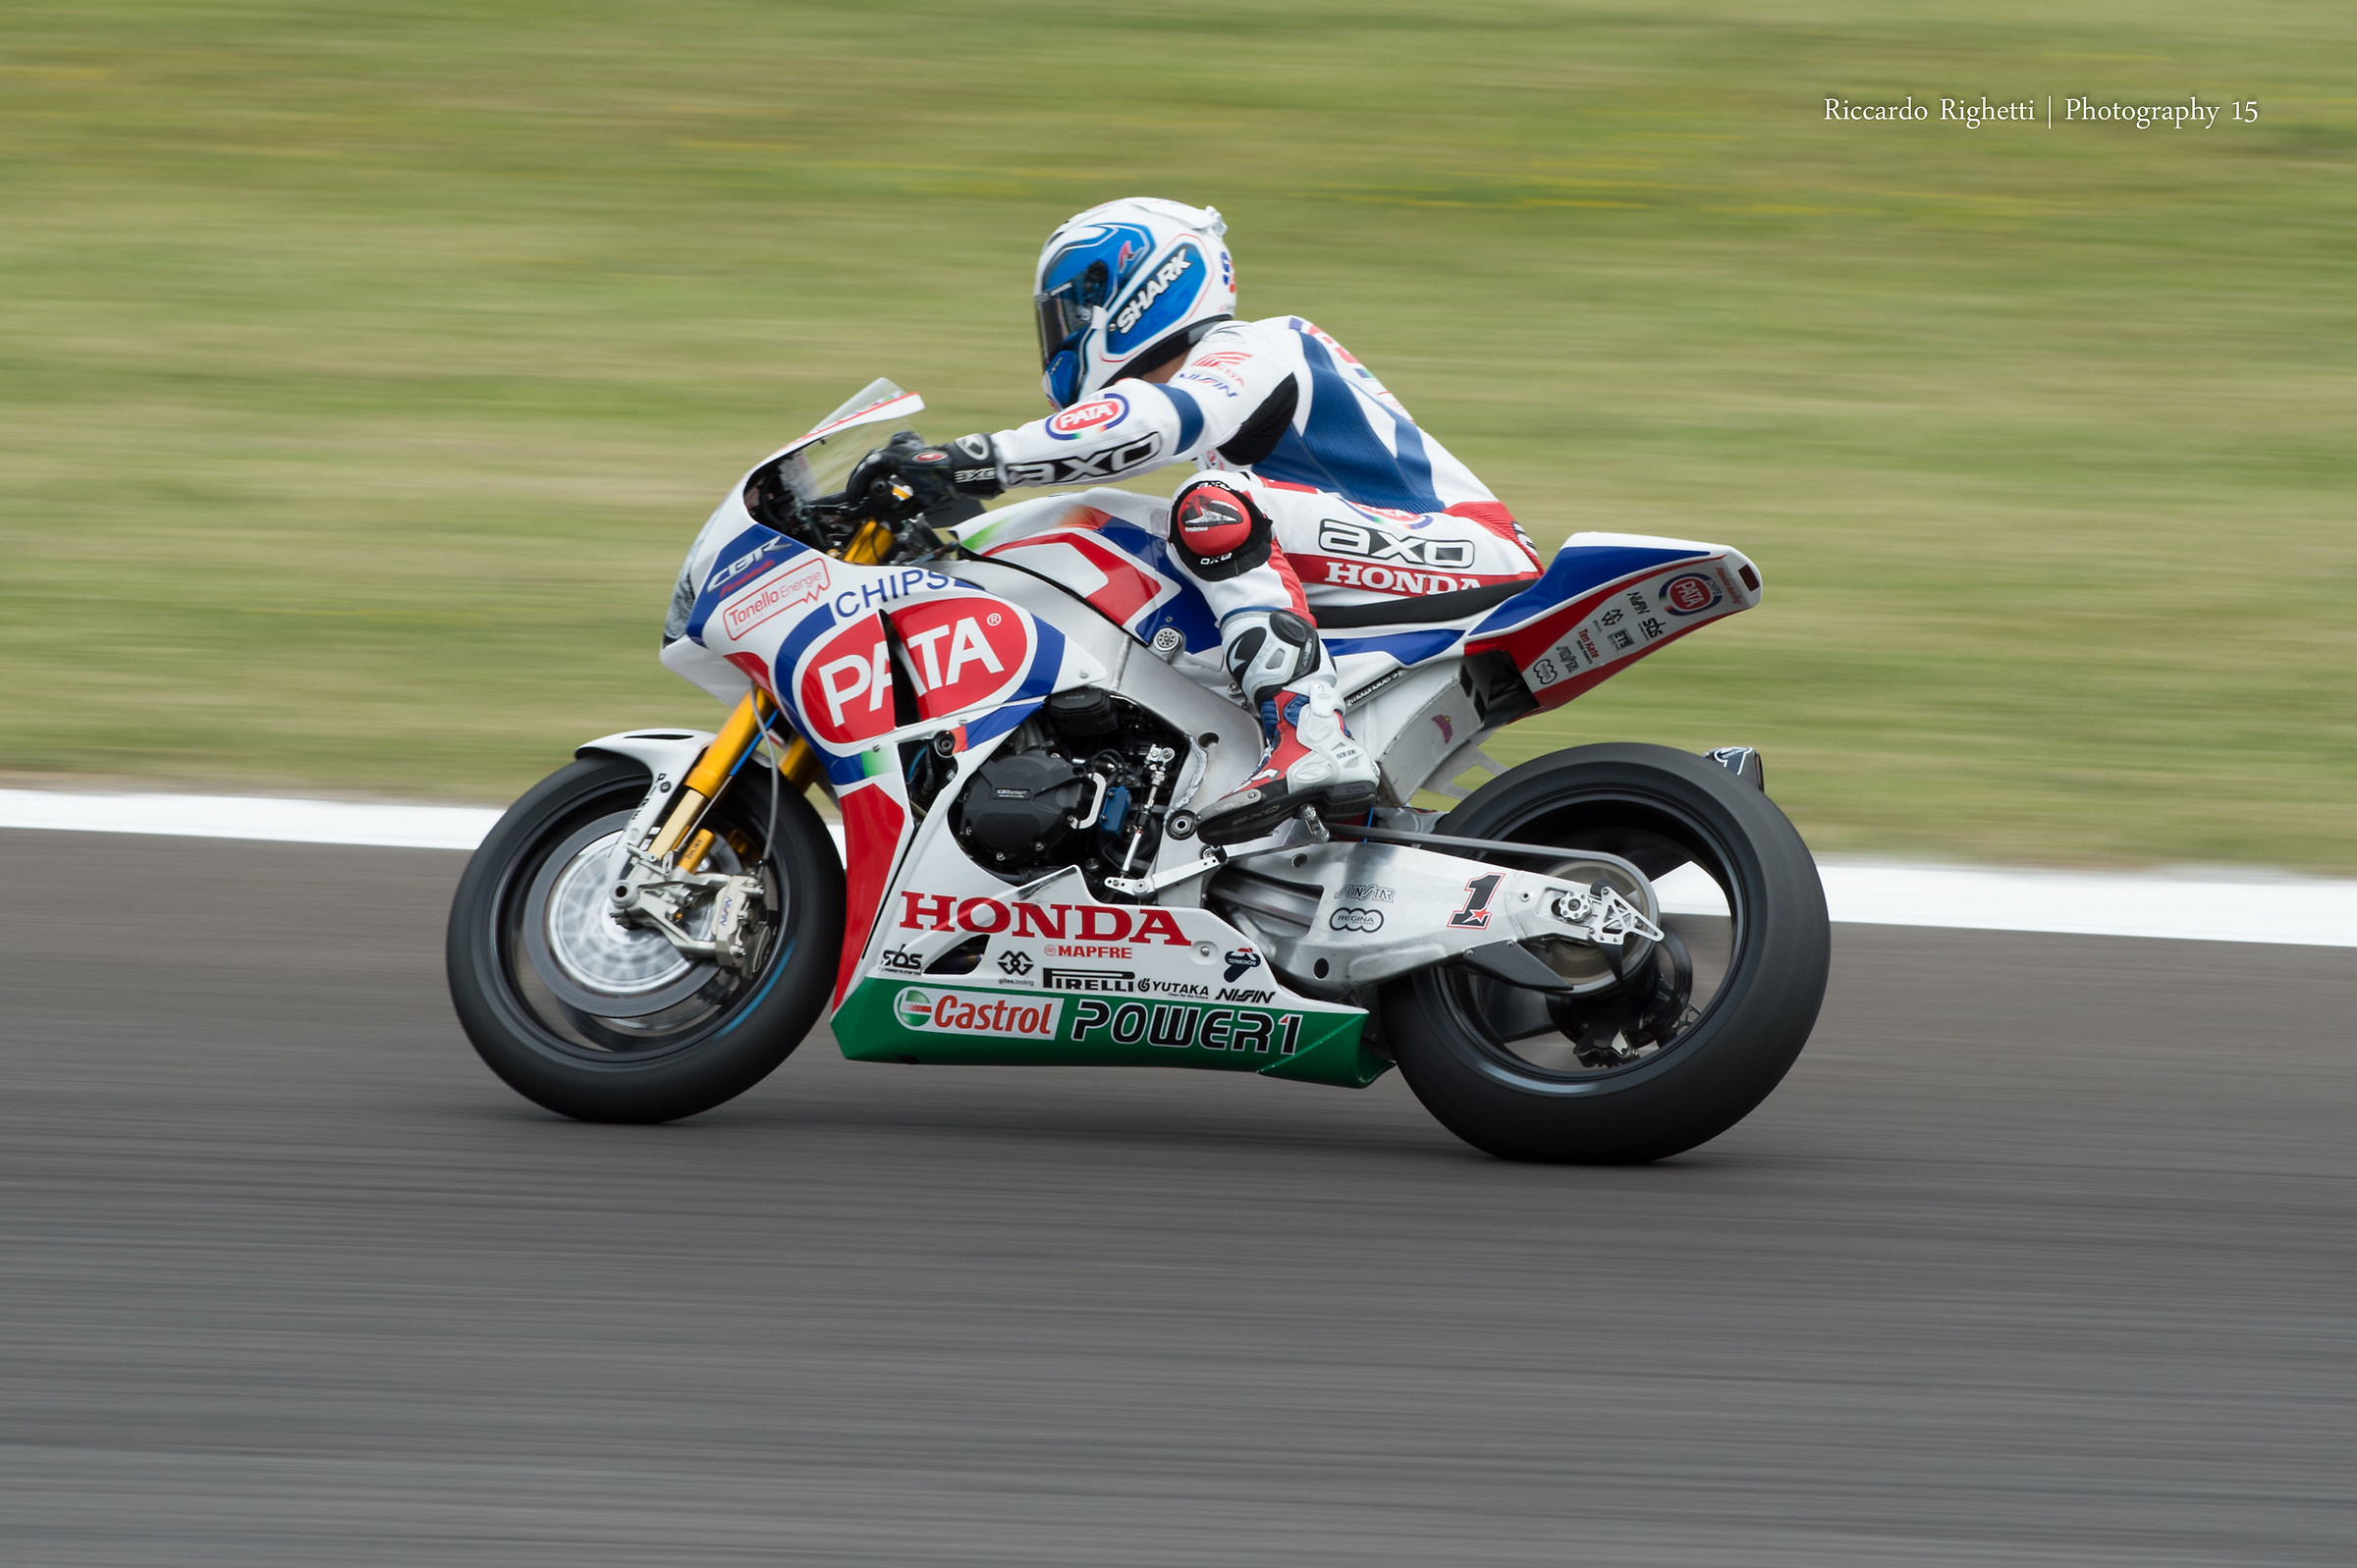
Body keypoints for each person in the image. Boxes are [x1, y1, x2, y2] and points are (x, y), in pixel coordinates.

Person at [849, 197, 1541, 843]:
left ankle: (1311, 736)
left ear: (1134, 291)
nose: (1062, 335)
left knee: (1210, 507)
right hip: (1403, 561)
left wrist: (972, 460)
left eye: (1069, 314)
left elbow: (1154, 422)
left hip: (1465, 549)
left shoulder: (1253, 346)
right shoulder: (1231, 381)